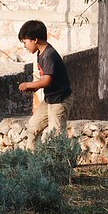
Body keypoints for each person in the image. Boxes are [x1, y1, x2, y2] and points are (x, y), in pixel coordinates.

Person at [17, 20, 72, 150]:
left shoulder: (48, 55)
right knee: (32, 127)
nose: (25, 46)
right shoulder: (41, 54)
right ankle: (32, 158)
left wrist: (28, 85)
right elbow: (46, 79)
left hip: (60, 100)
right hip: (50, 100)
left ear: (35, 40)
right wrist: (35, 87)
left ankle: (58, 161)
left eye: (25, 42)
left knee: (56, 136)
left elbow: (47, 80)